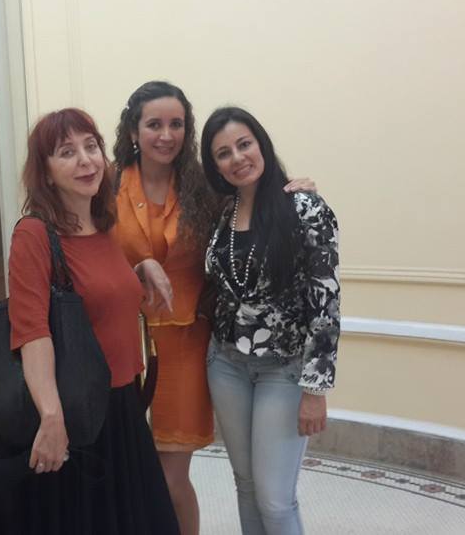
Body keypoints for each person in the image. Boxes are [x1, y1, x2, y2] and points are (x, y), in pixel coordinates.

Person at [111, 81, 316, 535]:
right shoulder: (107, 186)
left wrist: (295, 188)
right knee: (130, 473)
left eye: (177, 124)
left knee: (170, 478)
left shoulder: (205, 188)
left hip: (186, 345)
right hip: (121, 345)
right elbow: (91, 252)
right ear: (133, 130)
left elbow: (255, 201)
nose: (166, 135)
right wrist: (137, 266)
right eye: (154, 124)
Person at [7, 107, 180, 534]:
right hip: (77, 414)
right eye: (67, 152)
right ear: (46, 173)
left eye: (91, 147)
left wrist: (140, 269)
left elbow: (95, 292)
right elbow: (32, 332)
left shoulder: (103, 227)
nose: (86, 161)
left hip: (122, 405)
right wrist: (52, 417)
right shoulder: (34, 233)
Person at [199, 106, 340, 535]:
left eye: (244, 144)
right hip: (226, 364)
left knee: (276, 501)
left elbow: (326, 302)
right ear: (215, 165)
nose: (237, 158)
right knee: (245, 486)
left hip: (283, 369)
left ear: (261, 144)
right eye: (223, 153)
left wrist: (315, 390)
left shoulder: (304, 207)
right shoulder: (221, 212)